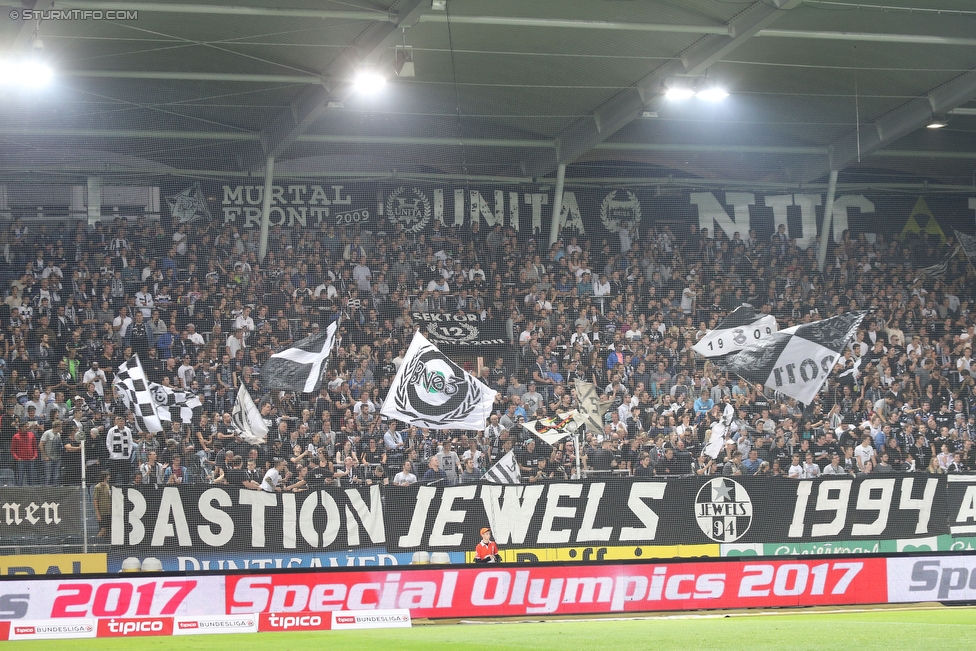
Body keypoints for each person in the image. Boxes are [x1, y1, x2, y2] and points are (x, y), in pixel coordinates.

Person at [93, 471, 112, 538]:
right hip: (102, 512)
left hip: (108, 512)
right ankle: (94, 542)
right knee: (102, 530)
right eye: (108, 476)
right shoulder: (97, 487)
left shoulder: (108, 486)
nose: (109, 477)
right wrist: (98, 513)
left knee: (106, 531)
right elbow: (95, 500)